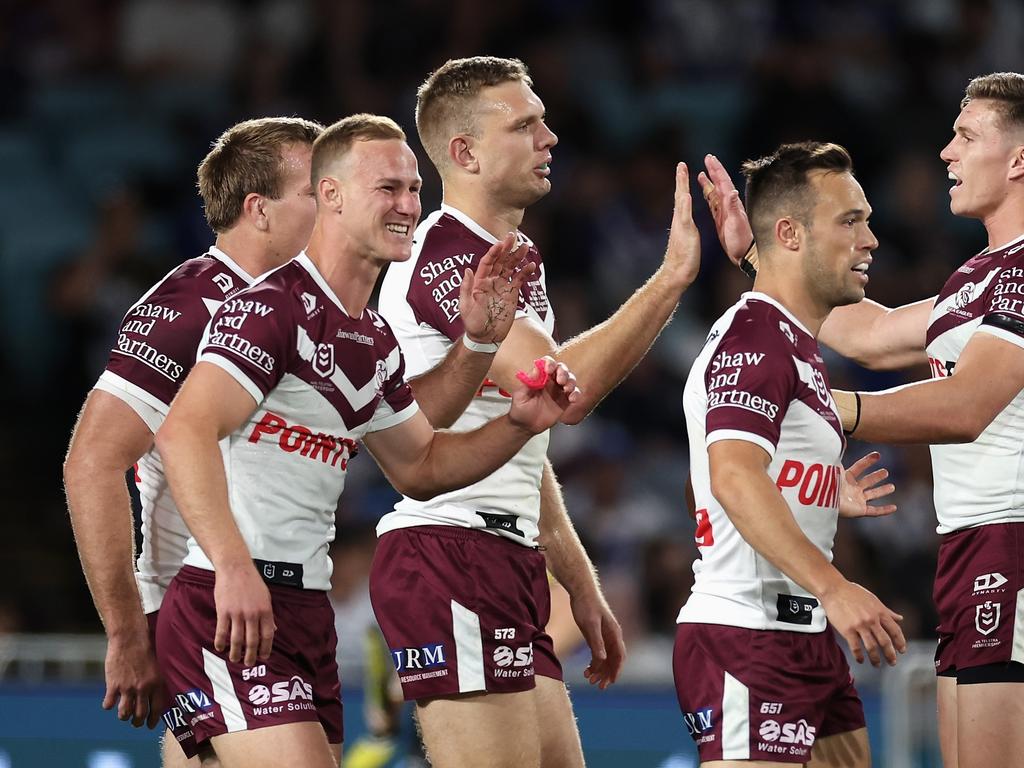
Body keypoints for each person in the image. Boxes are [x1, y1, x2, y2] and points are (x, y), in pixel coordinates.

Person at [152, 113, 580, 768]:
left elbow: (422, 464)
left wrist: (512, 409)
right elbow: (184, 429)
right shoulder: (274, 307)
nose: (410, 205)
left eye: (414, 188)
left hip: (304, 609)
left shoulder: (369, 337)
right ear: (332, 195)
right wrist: (233, 566)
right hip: (228, 603)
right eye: (389, 188)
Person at [372, 55, 700, 768]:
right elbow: (565, 389)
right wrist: (671, 278)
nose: (550, 137)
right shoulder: (448, 253)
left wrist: (578, 584)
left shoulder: (512, 256)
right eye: (525, 125)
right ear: (465, 153)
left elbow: (530, 439)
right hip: (447, 552)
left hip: (505, 554)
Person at [700, 72, 1024, 768]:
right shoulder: (978, 278)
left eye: (966, 136)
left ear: (1020, 160)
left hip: (1014, 540)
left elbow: (968, 405)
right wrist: (767, 253)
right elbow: (871, 334)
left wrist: (827, 407)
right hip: (972, 547)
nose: (945, 152)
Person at [63, 115, 324, 767]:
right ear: (258, 210)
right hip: (206, 609)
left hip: (273, 605)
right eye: (319, 189)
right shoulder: (193, 305)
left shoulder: (306, 309)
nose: (337, 202)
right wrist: (127, 632)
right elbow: (91, 463)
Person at [677, 141, 906, 767]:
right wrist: (835, 588)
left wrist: (816, 491)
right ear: (790, 233)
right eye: (850, 220)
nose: (871, 240)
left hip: (800, 633)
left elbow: (741, 473)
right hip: (748, 633)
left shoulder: (793, 342)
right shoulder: (757, 336)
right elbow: (731, 474)